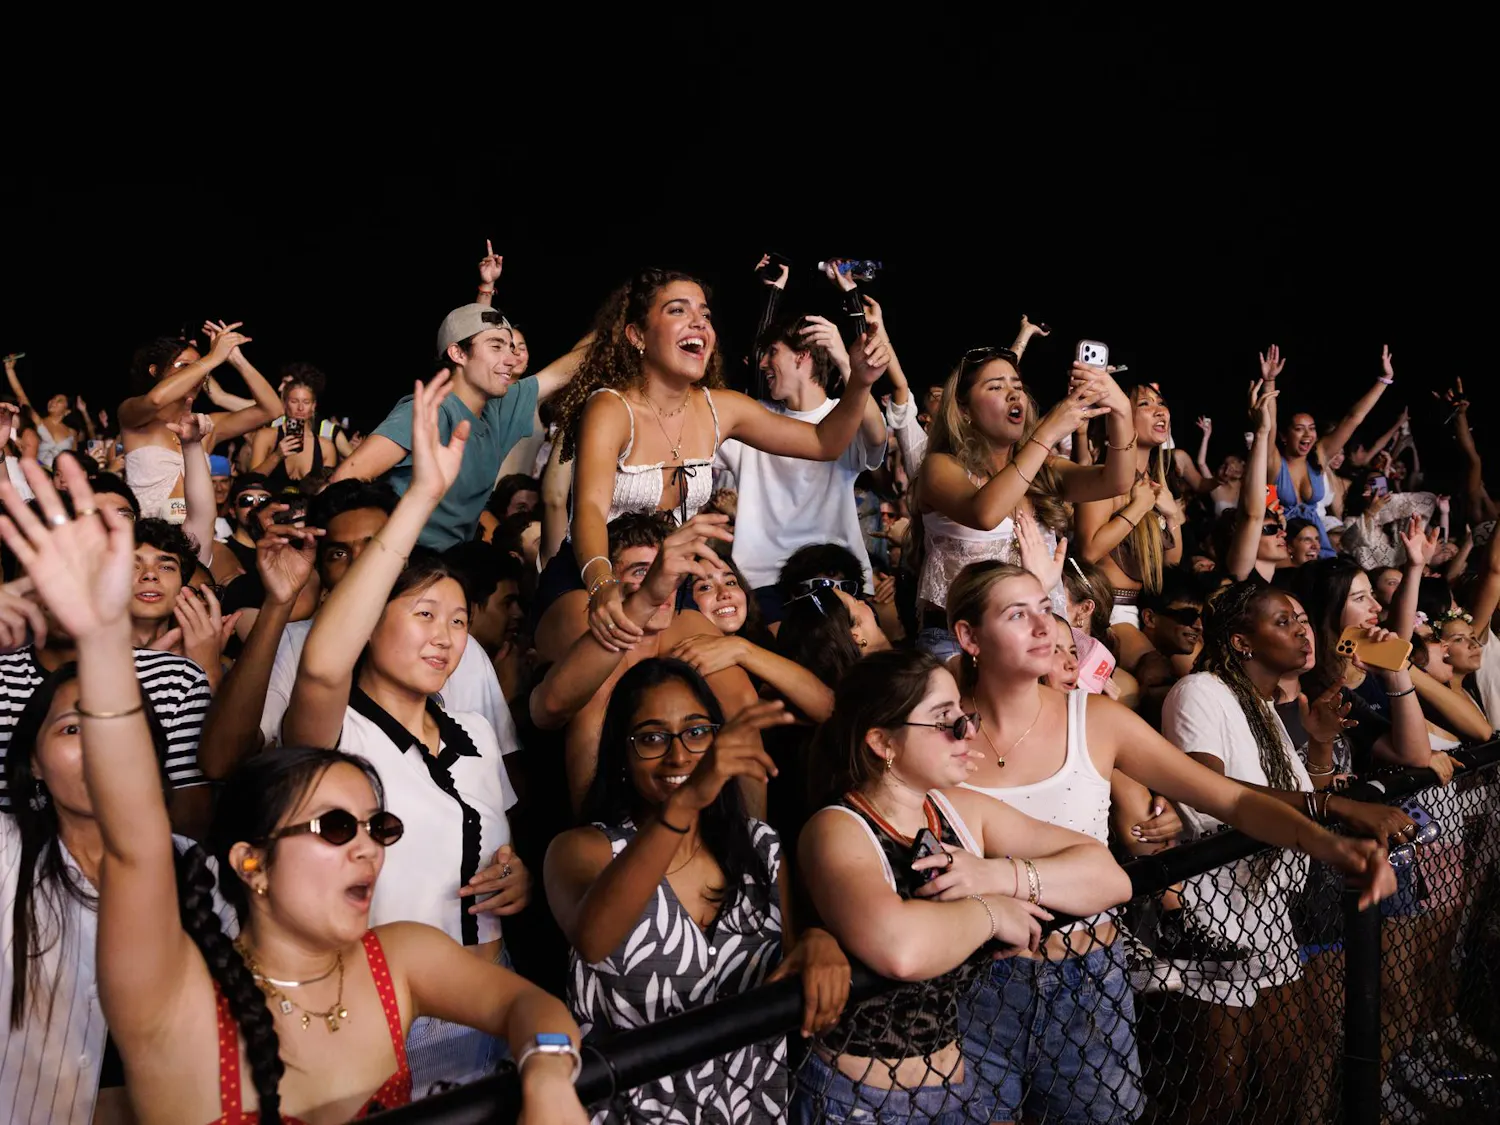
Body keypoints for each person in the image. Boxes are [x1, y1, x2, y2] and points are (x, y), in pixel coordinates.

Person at [0, 452, 591, 1124]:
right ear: (251, 860)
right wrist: (103, 643)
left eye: (379, 826)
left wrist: (547, 1069)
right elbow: (134, 834)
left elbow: (533, 1005)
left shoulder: (393, 957)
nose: (370, 847)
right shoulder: (180, 1002)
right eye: (337, 827)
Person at [943, 561, 1396, 1122]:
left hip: (1087, 976)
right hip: (975, 982)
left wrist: (1330, 843)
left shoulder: (1096, 719)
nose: (1042, 627)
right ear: (968, 637)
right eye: (1018, 614)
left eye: (1046, 609)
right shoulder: (937, 734)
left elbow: (1227, 798)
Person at [279, 373, 531, 1091]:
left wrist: (522, 878)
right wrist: (420, 494)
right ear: (370, 620)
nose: (445, 637)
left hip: (489, 1009)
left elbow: (500, 854)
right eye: (422, 614)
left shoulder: (477, 730)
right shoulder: (338, 735)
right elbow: (324, 666)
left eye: (457, 620)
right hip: (386, 1022)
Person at [795, 649, 1134, 1124]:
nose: (968, 731)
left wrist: (1004, 876)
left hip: (960, 1089)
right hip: (860, 1102)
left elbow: (1108, 877)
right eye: (945, 720)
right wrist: (994, 911)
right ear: (882, 742)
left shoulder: (955, 809)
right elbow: (901, 949)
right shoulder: (838, 827)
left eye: (963, 714)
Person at [546, 658, 850, 1124]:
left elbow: (790, 959)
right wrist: (686, 802)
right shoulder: (583, 849)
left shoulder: (760, 848)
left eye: (696, 732)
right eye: (651, 738)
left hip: (754, 1109)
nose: (679, 756)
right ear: (622, 757)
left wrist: (818, 942)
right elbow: (594, 937)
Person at [543, 267, 889, 657]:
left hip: (670, 585)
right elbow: (588, 508)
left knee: (730, 687)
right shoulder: (611, 407)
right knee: (601, 685)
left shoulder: (720, 408)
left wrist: (860, 382)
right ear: (637, 335)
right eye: (678, 311)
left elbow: (825, 442)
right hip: (592, 575)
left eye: (705, 315)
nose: (699, 323)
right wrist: (602, 585)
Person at [1, 662, 234, 1124]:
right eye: (72, 728)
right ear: (34, 762)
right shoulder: (5, 854)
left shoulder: (196, 869)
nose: (101, 747)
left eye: (120, 725)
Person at [911, 337, 1134, 656]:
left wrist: (1120, 410)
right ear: (963, 410)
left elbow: (1116, 481)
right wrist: (1047, 433)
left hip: (1040, 638)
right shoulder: (940, 466)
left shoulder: (1043, 468)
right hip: (964, 645)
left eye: (1017, 384)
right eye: (995, 387)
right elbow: (985, 513)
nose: (1014, 392)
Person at [333, 304, 574, 550]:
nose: (512, 360)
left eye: (511, 347)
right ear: (458, 354)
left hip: (454, 564)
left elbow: (566, 370)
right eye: (496, 346)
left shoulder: (499, 408)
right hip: (408, 563)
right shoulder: (432, 410)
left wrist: (615, 318)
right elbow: (344, 479)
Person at [716, 311, 888, 617]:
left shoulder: (844, 414)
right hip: (762, 582)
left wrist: (848, 363)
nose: (762, 364)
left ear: (802, 356)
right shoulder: (751, 418)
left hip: (837, 579)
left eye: (772, 352)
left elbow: (876, 437)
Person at [118, 322, 283, 522]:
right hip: (148, 540)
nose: (197, 374)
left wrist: (235, 359)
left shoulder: (205, 425)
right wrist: (212, 357)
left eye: (200, 367)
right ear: (155, 371)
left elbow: (273, 410)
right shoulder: (133, 416)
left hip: (198, 542)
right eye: (184, 366)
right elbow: (156, 400)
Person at [1259, 343, 1396, 557]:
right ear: (1285, 436)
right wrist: (1269, 382)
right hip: (1286, 549)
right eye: (1299, 429)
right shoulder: (1275, 462)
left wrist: (1384, 380)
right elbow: (1268, 427)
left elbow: (1353, 418)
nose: (1308, 435)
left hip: (1318, 544)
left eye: (1312, 429)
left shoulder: (1319, 456)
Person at [1076, 384, 1190, 626]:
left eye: (1161, 403)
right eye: (1145, 404)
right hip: (1101, 609)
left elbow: (1171, 562)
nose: (1160, 411)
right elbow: (1088, 552)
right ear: (1119, 418)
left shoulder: (1156, 486)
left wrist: (1172, 515)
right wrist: (1137, 508)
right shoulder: (1102, 478)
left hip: (1135, 609)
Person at [248, 363, 352, 484]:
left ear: (313, 406)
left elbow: (326, 494)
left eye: (306, 402)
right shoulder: (266, 436)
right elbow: (250, 483)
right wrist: (276, 456)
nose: (300, 408)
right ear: (285, 404)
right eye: (294, 401)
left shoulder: (326, 447)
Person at [4, 354, 84, 468]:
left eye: (59, 401)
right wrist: (10, 370)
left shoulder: (72, 433)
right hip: (38, 473)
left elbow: (74, 458)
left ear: (67, 411)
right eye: (52, 399)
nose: (53, 402)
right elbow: (21, 394)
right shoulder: (38, 422)